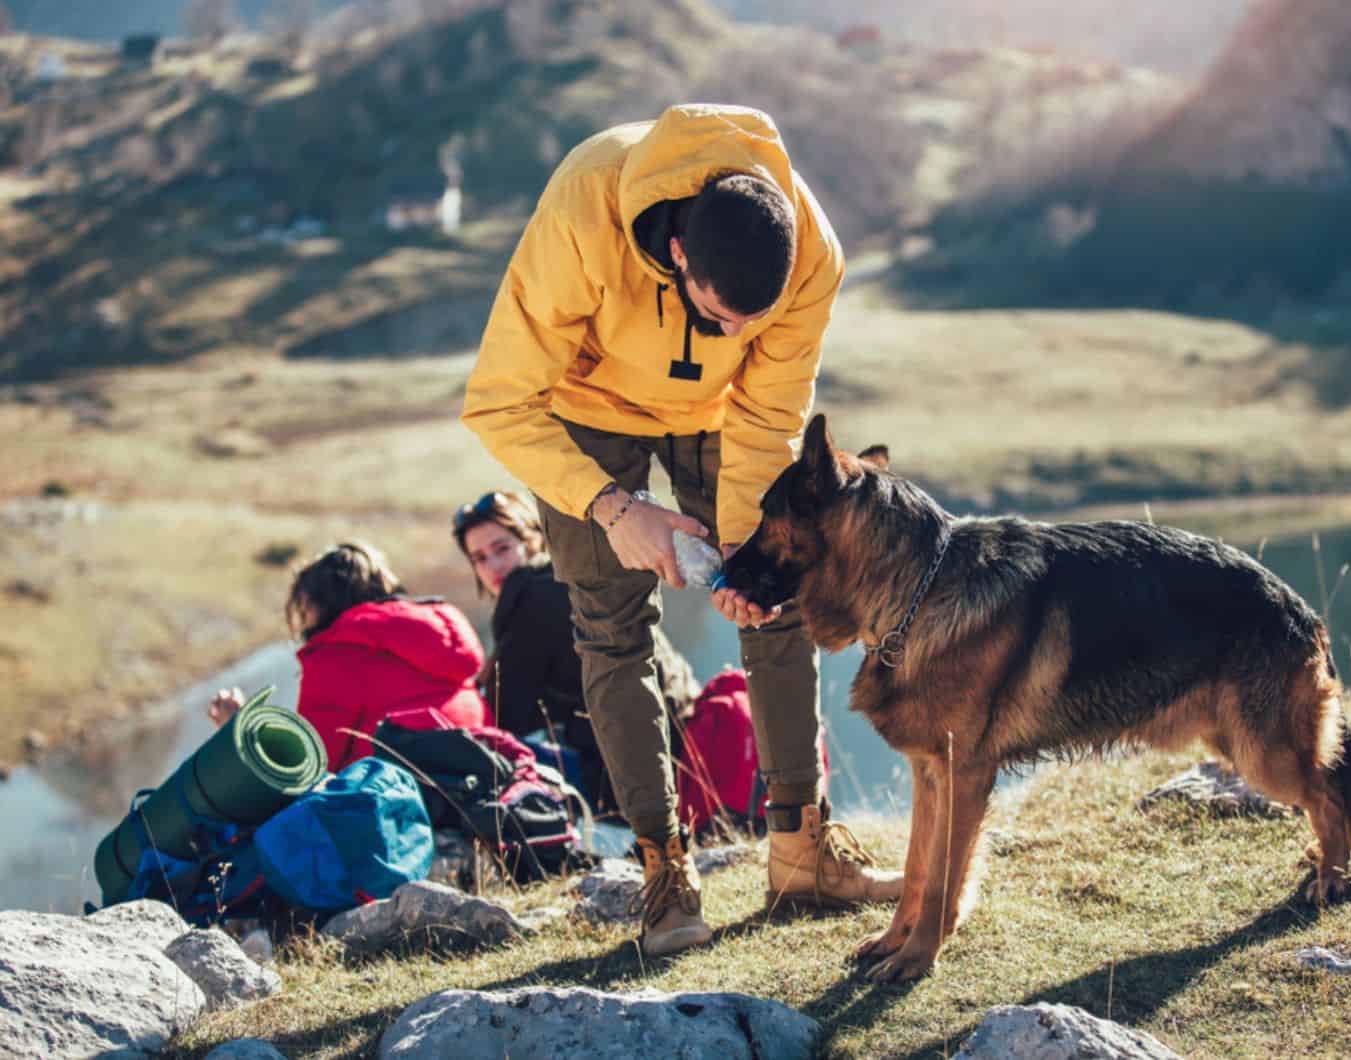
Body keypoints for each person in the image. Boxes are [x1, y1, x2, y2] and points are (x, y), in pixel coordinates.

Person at [461, 103, 900, 956]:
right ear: (677, 254)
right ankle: (666, 871)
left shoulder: (811, 253)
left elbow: (772, 413)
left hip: (721, 415)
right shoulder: (582, 212)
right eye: (719, 313)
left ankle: (801, 848)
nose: (735, 333)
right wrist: (613, 508)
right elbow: (498, 402)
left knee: (776, 597)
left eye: (750, 323)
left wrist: (742, 553)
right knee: (611, 631)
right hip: (587, 411)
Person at [450, 489, 698, 818]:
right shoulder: (577, 578)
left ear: (533, 539)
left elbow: (509, 712)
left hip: (623, 772)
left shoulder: (529, 595)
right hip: (674, 739)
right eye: (479, 558)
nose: (493, 566)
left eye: (502, 548)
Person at [208, 542, 487, 770]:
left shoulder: (336, 653)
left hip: (399, 807)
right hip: (480, 783)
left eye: (303, 609)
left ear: (316, 604)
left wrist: (240, 728)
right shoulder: (442, 630)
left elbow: (309, 766)